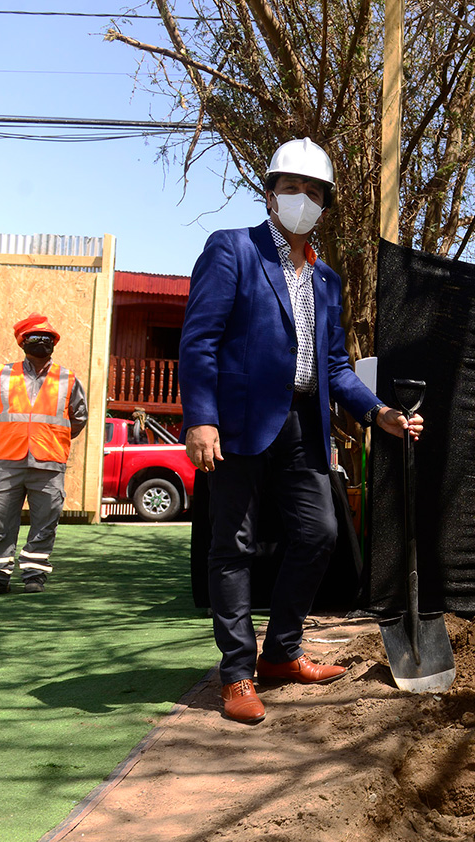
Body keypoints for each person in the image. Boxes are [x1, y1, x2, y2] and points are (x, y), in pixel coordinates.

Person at [180, 137, 422, 725]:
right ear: (269, 194)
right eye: (292, 187)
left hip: (302, 425)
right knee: (231, 546)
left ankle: (281, 652)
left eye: (314, 192)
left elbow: (335, 365)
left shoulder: (327, 281)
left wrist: (377, 413)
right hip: (235, 425)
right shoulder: (233, 250)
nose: (302, 199)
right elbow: (200, 339)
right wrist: (201, 418)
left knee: (320, 532)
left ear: (324, 204)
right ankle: (237, 673)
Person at [0, 315, 89, 595]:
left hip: (49, 464)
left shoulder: (67, 378)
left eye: (48, 338)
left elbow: (79, 418)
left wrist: (52, 439)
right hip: (8, 462)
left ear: (54, 344)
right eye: (36, 337)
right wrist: (13, 437)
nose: (43, 342)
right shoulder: (3, 375)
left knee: (45, 523)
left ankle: (34, 576)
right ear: (23, 342)